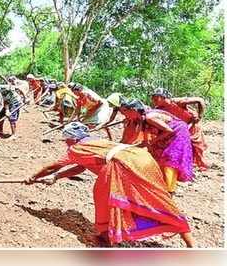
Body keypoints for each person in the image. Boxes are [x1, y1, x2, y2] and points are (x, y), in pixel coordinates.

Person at [25, 122, 194, 247]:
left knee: (102, 195)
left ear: (72, 139)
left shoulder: (76, 148)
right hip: (141, 157)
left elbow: (53, 165)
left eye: (66, 140)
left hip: (122, 164)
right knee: (159, 199)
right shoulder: (94, 141)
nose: (65, 143)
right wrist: (57, 177)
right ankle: (190, 243)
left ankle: (104, 237)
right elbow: (80, 168)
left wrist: (33, 176)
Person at [119, 99, 194, 194]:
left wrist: (153, 141)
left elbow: (169, 130)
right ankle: (159, 184)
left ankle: (169, 190)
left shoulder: (149, 117)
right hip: (165, 134)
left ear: (133, 110)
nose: (124, 115)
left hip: (178, 133)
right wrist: (124, 147)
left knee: (169, 159)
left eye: (125, 111)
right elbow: (140, 139)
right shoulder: (139, 119)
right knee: (156, 155)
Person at [151, 88, 208, 171]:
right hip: (178, 129)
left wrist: (199, 115)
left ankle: (202, 165)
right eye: (152, 98)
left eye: (156, 97)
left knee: (197, 147)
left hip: (191, 126)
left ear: (163, 97)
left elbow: (200, 100)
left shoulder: (177, 102)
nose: (153, 100)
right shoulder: (158, 108)